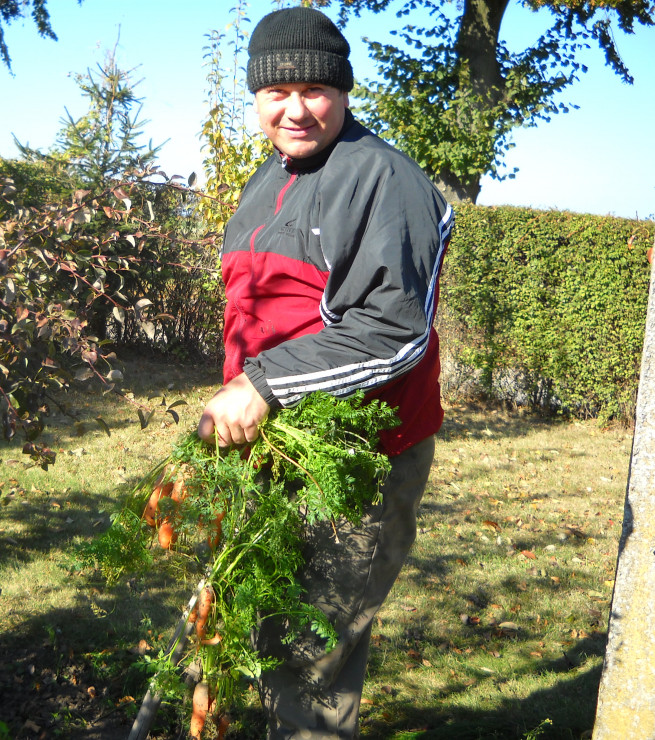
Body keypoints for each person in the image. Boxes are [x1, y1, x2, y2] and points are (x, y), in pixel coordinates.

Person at [195, 6, 454, 739]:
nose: (296, 109)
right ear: (255, 98)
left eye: (315, 90)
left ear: (342, 91)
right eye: (277, 93)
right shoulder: (263, 180)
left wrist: (262, 385)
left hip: (359, 459)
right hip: (274, 446)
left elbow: (395, 330)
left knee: (312, 653)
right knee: (261, 621)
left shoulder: (385, 180)